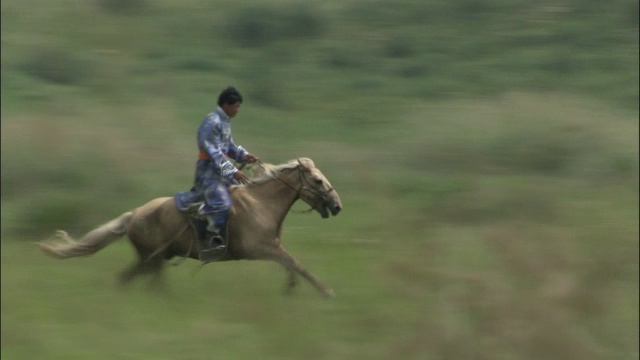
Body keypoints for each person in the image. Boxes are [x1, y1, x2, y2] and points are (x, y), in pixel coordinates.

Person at [175, 86, 258, 263]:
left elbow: (230, 147)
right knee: (223, 204)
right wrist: (233, 171)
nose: (238, 110)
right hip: (209, 173)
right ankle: (212, 237)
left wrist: (244, 155)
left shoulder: (224, 121)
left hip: (221, 173)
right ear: (227, 105)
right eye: (236, 106)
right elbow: (214, 154)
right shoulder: (211, 122)